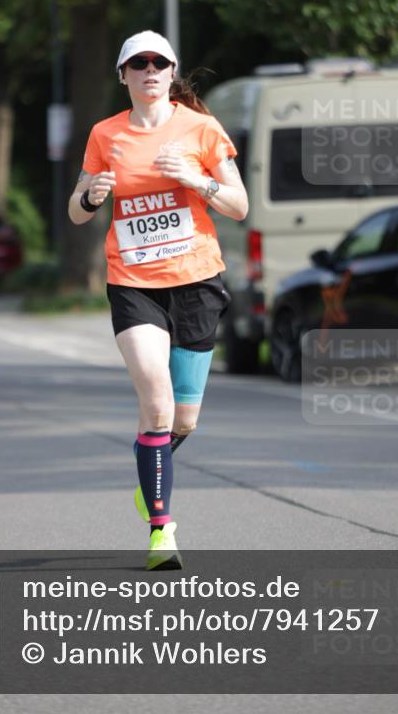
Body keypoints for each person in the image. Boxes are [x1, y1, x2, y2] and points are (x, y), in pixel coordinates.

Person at [68, 31, 248, 570]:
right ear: (123, 75)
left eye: (159, 63)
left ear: (172, 73)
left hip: (196, 282)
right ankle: (161, 531)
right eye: (138, 63)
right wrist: (90, 196)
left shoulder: (202, 130)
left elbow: (239, 206)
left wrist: (195, 179)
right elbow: (77, 211)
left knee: (184, 421)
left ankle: (153, 473)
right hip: (133, 283)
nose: (149, 70)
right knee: (156, 402)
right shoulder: (106, 134)